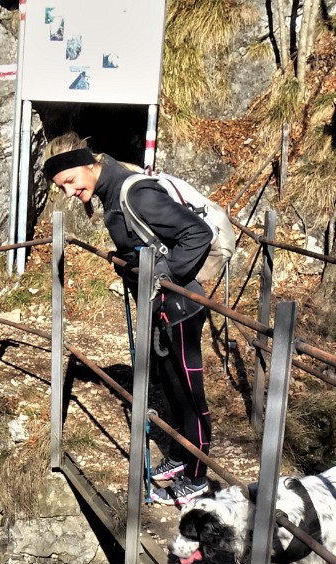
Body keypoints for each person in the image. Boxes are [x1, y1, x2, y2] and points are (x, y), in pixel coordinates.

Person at [42, 133, 218, 507]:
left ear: (88, 163)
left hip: (181, 307)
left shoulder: (133, 193)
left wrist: (159, 274)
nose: (70, 193)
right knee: (169, 386)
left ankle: (198, 476)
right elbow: (144, 242)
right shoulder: (112, 192)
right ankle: (180, 454)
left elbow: (197, 234)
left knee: (189, 392)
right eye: (62, 188)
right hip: (160, 305)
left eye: (70, 182)